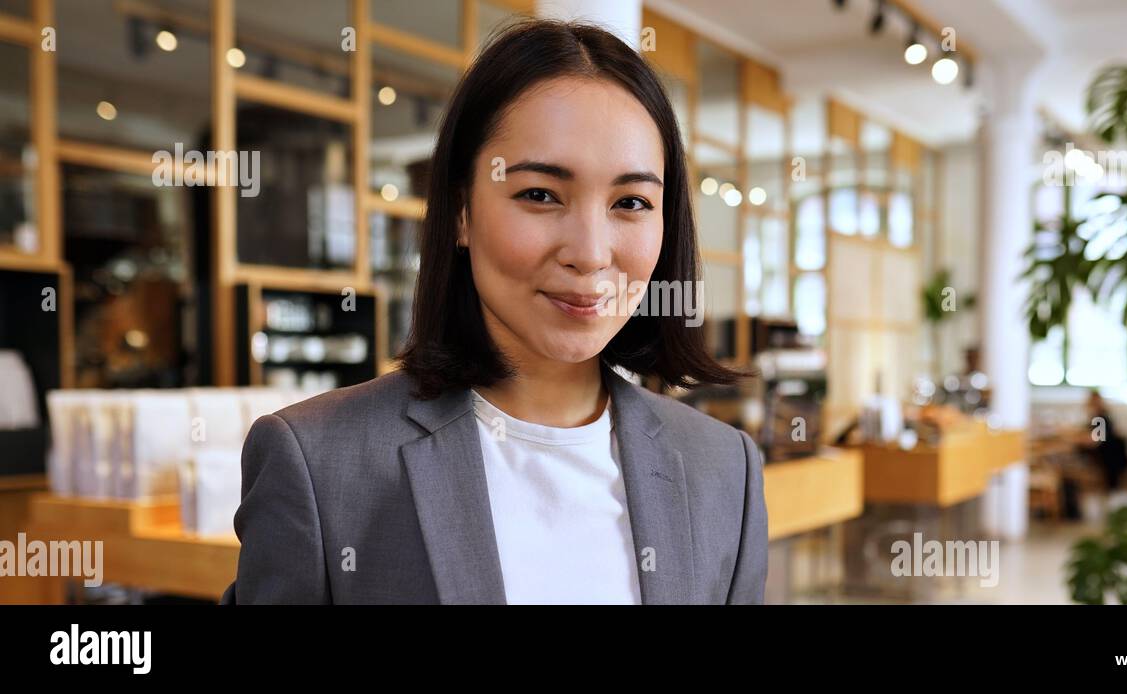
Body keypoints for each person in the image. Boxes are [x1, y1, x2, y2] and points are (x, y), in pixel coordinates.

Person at [220, 20, 768, 604]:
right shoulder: (319, 463)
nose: (588, 253)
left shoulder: (722, 470)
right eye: (539, 194)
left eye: (631, 202)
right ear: (461, 212)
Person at [1078, 390, 1127, 492]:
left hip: (1107, 453)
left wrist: (1077, 439)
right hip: (1108, 451)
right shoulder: (1099, 417)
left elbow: (1096, 440)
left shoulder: (1101, 418)